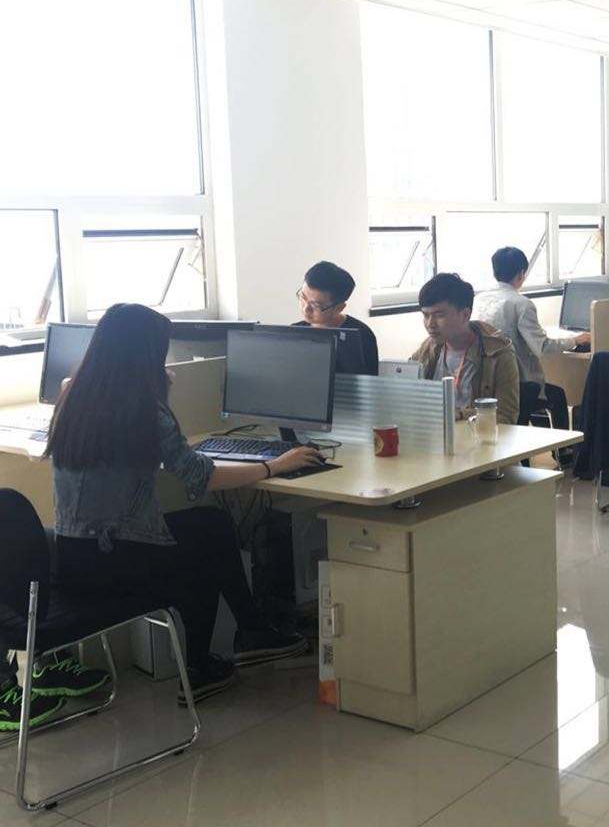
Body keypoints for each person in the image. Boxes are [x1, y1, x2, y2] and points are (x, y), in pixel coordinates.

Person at [43, 304, 321, 710]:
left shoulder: (72, 395)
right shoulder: (143, 407)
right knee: (206, 547)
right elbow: (201, 477)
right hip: (115, 563)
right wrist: (273, 466)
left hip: (73, 559)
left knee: (209, 524)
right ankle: (220, 652)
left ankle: (245, 635)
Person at [473, 247, 587, 433]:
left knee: (544, 395)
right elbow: (542, 347)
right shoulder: (521, 304)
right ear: (521, 274)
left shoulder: (479, 299)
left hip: (488, 381)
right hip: (519, 383)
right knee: (557, 395)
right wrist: (576, 340)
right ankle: (564, 448)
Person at [411, 273, 519, 424]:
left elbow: (506, 417)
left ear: (465, 315)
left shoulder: (497, 353)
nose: (430, 324)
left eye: (439, 315)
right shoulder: (428, 349)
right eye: (426, 315)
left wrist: (461, 414)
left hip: (476, 436)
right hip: (436, 435)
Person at [294, 261, 379, 376]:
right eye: (303, 297)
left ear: (339, 308)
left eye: (315, 305)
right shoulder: (294, 331)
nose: (306, 309)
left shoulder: (361, 336)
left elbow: (368, 383)